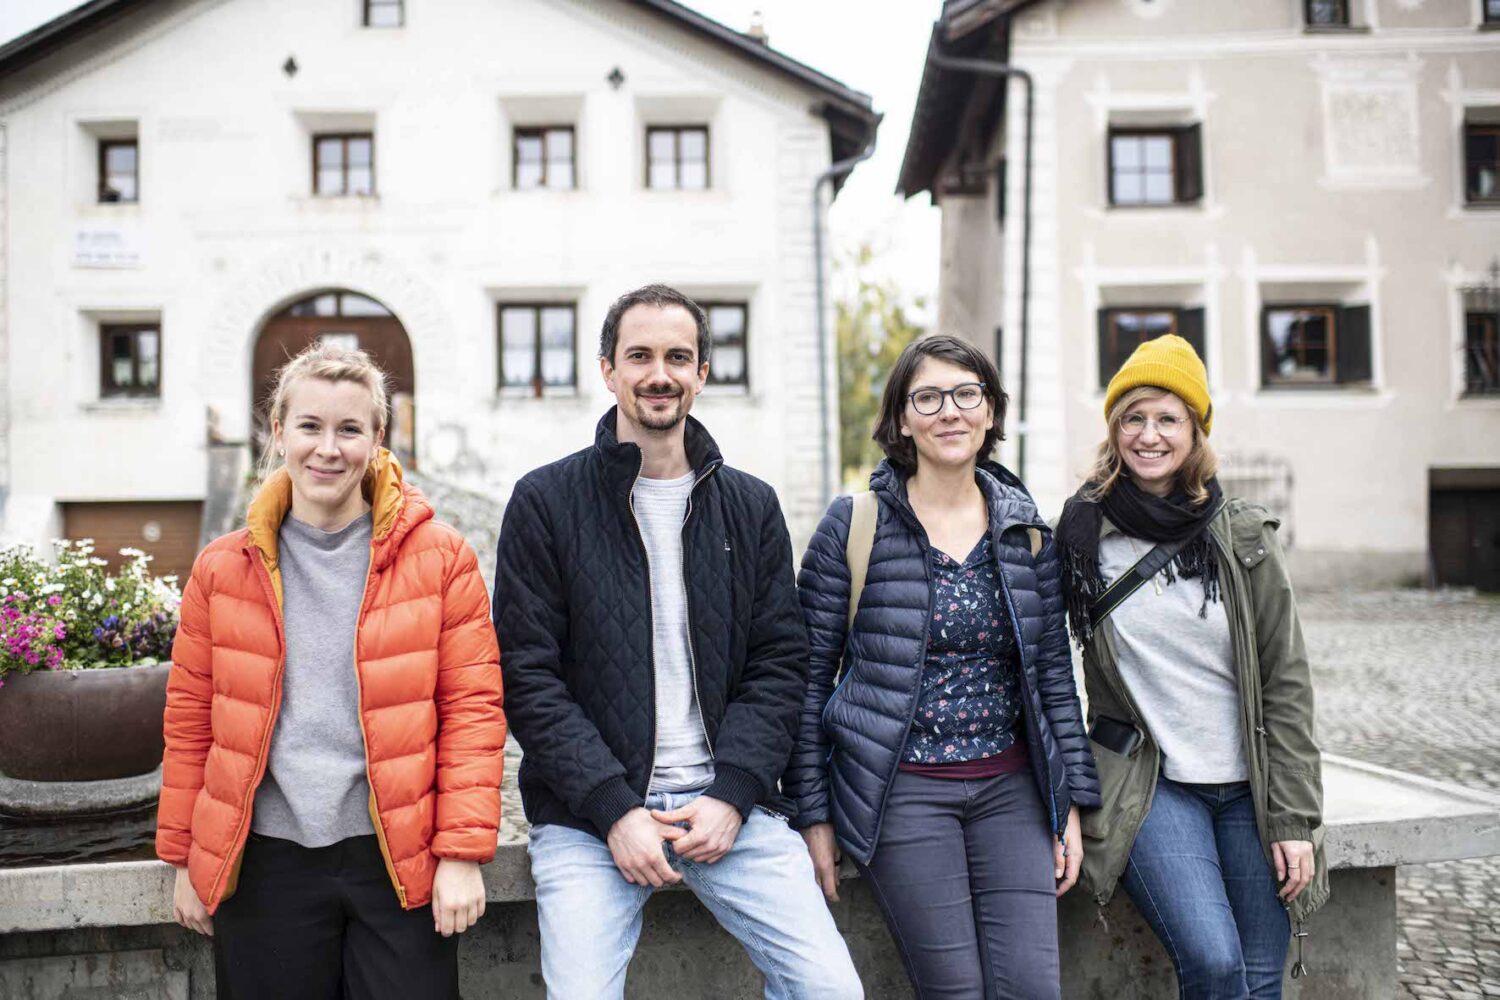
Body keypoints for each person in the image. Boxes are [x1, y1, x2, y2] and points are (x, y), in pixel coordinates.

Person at [493, 284, 863, 999]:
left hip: (727, 807)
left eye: (677, 357)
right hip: (589, 818)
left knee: (831, 991)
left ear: (701, 373)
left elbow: (778, 666)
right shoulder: (545, 501)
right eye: (639, 356)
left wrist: (734, 793)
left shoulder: (750, 505)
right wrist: (613, 807)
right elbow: (528, 677)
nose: (658, 374)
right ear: (608, 370)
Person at [157, 342, 506, 999]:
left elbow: (472, 712)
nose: (328, 448)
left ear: (377, 438)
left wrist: (460, 854)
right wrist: (183, 858)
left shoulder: (441, 559)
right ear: (278, 431)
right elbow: (191, 722)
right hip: (265, 862)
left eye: (349, 429)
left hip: (398, 858)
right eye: (310, 426)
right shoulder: (221, 568)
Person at [788, 334, 1100, 999]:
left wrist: (1068, 800)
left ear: (990, 412)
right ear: (902, 419)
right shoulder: (854, 526)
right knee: (954, 991)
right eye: (927, 398)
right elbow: (807, 681)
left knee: (1032, 990)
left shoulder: (1026, 534)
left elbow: (1052, 678)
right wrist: (813, 816)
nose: (949, 411)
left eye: (966, 394)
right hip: (902, 793)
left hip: (1011, 789)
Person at [1057, 335, 1329, 1000]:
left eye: (1167, 419)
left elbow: (1286, 681)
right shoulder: (1083, 535)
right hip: (1152, 784)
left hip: (1250, 785)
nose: (1149, 435)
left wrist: (1295, 820)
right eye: (1133, 417)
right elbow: (1042, 662)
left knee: (1260, 980)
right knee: (1213, 961)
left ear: (1195, 431)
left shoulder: (1242, 534)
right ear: (1114, 428)